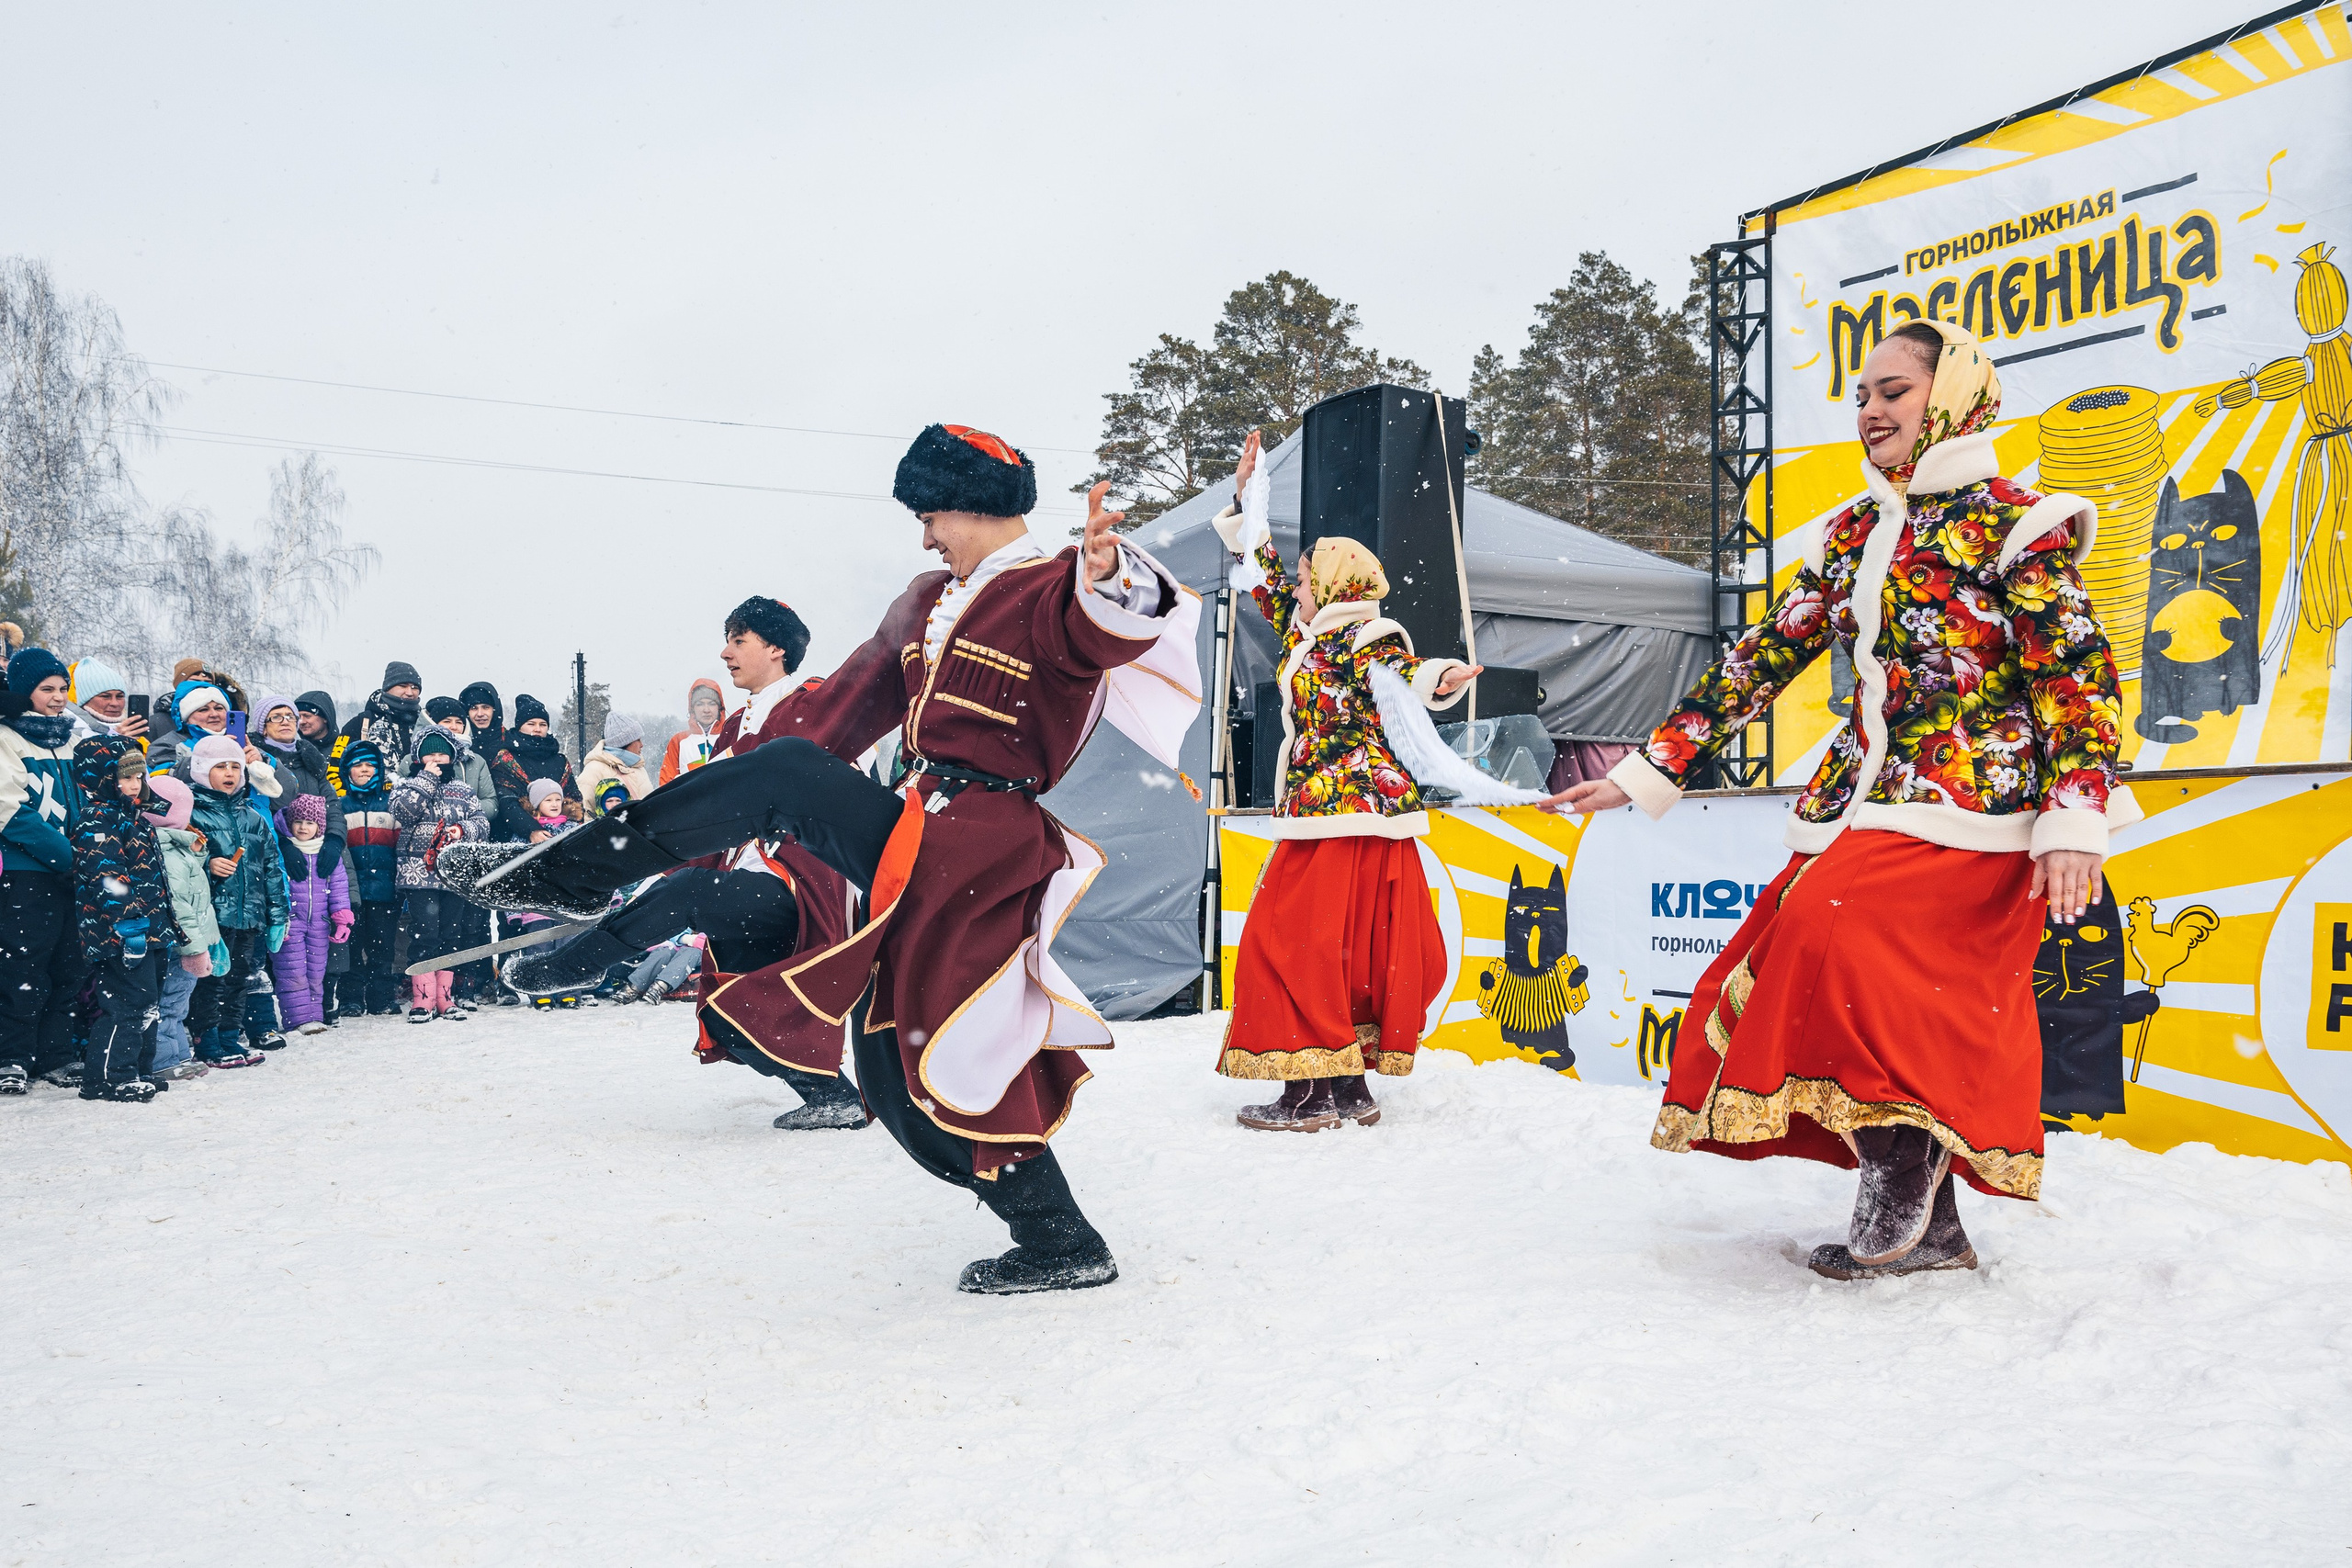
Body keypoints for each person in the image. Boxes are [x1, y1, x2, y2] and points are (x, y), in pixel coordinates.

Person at [446, 423, 1200, 1293]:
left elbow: (1113, 628)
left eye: (930, 517)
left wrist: (1112, 577)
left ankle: (569, 875)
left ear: (970, 504)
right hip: (917, 829)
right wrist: (738, 783)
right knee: (892, 1058)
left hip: (984, 842)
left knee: (938, 1046)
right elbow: (832, 716)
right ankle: (1056, 1235)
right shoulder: (926, 599)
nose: (926, 537)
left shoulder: (1054, 586)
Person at [1561, 320, 2127, 1281]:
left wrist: (2076, 818)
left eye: (1893, 391)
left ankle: (1900, 1164)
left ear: (1953, 397)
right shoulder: (1858, 532)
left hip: (1979, 810)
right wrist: (1648, 768)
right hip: (1864, 800)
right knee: (1807, 978)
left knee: (1833, 934)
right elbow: (1763, 656)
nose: (1870, 409)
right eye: (1862, 394)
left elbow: (2075, 675)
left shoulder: (2018, 525)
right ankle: (1933, 1229)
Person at [1206, 428, 1544, 1131]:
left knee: (1286, 944)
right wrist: (1247, 496)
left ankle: (1307, 1093)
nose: (1297, 588)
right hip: (1340, 819)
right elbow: (1263, 575)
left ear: (1334, 585)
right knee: (1346, 953)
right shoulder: (1310, 635)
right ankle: (1347, 1087)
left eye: (1307, 579)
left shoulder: (1365, 637)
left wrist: (1441, 676)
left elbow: (1401, 670)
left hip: (1344, 819)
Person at [502, 595, 865, 1130]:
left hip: (802, 884)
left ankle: (575, 966)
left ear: (776, 649)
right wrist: (644, 864)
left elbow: (847, 786)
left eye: (738, 640)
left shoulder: (819, 706)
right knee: (733, 1010)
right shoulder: (738, 725)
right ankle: (835, 1097)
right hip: (747, 878)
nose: (725, 652)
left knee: (690, 893)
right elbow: (699, 808)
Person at [70, 736, 182, 1101]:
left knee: (148, 1003)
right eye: (125, 777)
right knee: (127, 1003)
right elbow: (109, 878)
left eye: (139, 777)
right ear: (103, 779)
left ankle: (137, 1069)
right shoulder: (97, 819)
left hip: (149, 928)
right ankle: (108, 1077)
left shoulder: (132, 815)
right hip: (118, 932)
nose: (135, 785)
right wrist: (130, 925)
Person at [0, 648, 89, 1093]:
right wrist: (68, 856)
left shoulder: (72, 738)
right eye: (46, 689)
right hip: (28, 873)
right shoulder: (7, 738)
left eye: (62, 688)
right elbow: (10, 810)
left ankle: (56, 1054)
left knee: (69, 967)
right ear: (23, 691)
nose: (57, 697)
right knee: (24, 967)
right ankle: (13, 1057)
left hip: (77, 871)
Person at [183, 737, 289, 1068]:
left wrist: (277, 915)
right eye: (220, 767)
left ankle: (230, 1036)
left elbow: (271, 869)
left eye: (234, 766)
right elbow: (178, 863)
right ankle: (207, 1041)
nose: (229, 773)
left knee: (239, 979)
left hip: (249, 914)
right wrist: (208, 864)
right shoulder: (192, 814)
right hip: (213, 916)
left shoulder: (253, 817)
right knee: (212, 981)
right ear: (202, 771)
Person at [390, 730, 491, 1022]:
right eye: (430, 755)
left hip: (453, 873)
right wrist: (426, 779)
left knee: (450, 935)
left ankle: (445, 999)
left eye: (442, 754)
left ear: (452, 757)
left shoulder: (463, 789)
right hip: (418, 874)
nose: (436, 759)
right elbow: (403, 812)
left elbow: (482, 823)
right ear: (419, 758)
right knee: (425, 933)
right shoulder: (406, 785)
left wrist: (463, 830)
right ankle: (423, 1000)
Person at [142, 774, 221, 1077]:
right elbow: (181, 906)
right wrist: (195, 949)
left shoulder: (175, 848)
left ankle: (178, 1055)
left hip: (184, 942)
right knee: (170, 1002)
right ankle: (163, 1062)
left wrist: (197, 852)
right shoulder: (168, 852)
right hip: (181, 945)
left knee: (177, 1002)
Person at [270, 795, 350, 1035]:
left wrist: (342, 918)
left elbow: (339, 888)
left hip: (319, 924)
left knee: (316, 973)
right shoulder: (282, 851)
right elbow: (275, 885)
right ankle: (298, 1020)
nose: (303, 827)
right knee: (292, 973)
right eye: (298, 822)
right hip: (291, 923)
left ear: (320, 826)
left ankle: (314, 1017)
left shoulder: (327, 853)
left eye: (310, 823)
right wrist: (277, 920)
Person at [334, 739, 403, 1016]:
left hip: (385, 890)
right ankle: (350, 998)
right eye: (357, 765)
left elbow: (400, 847)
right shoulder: (340, 806)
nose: (364, 770)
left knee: (382, 946)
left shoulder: (391, 805)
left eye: (370, 765)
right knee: (350, 946)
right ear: (347, 772)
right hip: (350, 892)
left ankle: (381, 997)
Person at [489, 694, 580, 844]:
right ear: (520, 726)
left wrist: (570, 827)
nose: (537, 729)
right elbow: (507, 802)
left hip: (564, 835)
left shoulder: (560, 761)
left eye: (542, 724)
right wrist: (531, 830)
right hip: (520, 837)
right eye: (531, 724)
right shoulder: (506, 760)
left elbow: (574, 799)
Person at [340, 660, 424, 779]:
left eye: (414, 687)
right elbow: (336, 767)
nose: (410, 692)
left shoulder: (425, 724)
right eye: (403, 686)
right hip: (372, 791)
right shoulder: (361, 723)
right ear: (388, 687)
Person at [577, 713, 656, 818]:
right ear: (625, 742)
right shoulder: (594, 770)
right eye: (638, 740)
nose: (642, 745)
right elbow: (583, 813)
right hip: (612, 828)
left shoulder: (639, 767)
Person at [658, 678, 728, 784]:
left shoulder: (730, 736)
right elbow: (666, 783)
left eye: (712, 703)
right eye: (700, 704)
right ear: (692, 709)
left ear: (719, 708)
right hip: (689, 796)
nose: (706, 710)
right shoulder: (679, 741)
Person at [67, 659, 149, 747]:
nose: (115, 703)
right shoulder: (72, 736)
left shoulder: (134, 733)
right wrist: (116, 742)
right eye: (106, 696)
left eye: (119, 696)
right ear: (85, 700)